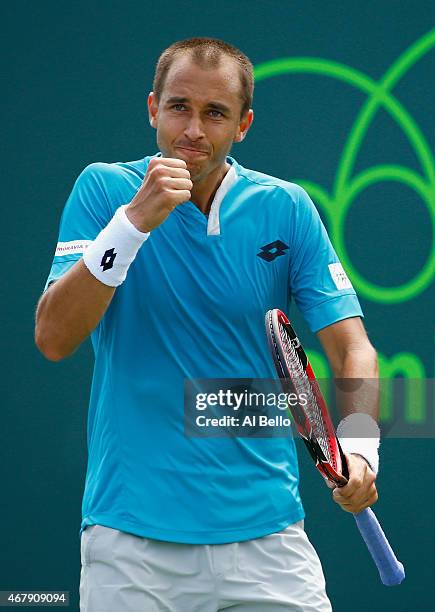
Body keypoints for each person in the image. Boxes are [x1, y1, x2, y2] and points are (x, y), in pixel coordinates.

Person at [35, 37, 380, 612]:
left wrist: (362, 447)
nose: (192, 129)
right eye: (178, 108)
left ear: (242, 124)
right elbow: (53, 337)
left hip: (269, 543)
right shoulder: (103, 191)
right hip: (132, 547)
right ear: (153, 109)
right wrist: (135, 222)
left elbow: (354, 350)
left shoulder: (287, 208)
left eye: (214, 113)